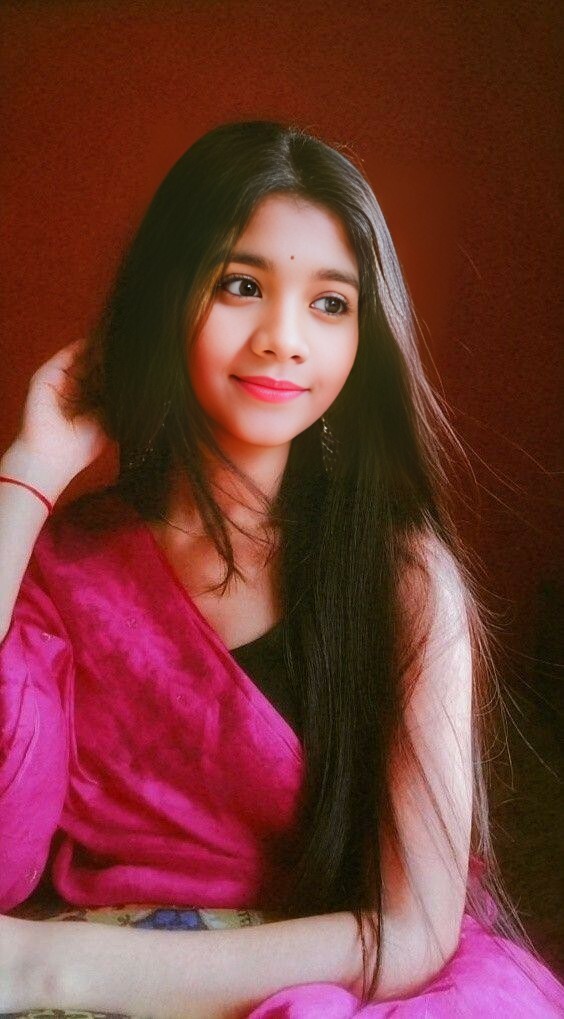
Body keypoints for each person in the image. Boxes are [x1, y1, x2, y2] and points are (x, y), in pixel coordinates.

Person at [0, 120, 561, 1017]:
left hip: (329, 982)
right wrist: (28, 476)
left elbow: (414, 930)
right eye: (242, 284)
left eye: (331, 303)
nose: (284, 338)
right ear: (166, 295)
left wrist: (49, 967)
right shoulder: (65, 566)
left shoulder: (403, 578)